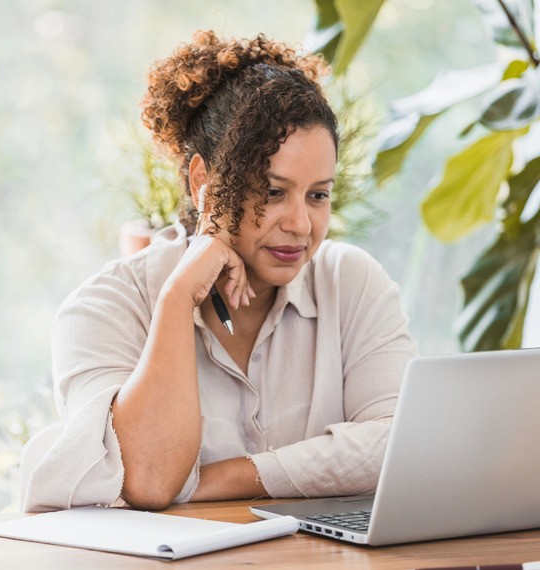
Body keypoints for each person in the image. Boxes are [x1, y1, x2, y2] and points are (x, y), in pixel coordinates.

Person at [25, 30, 417, 512]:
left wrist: (223, 478)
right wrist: (176, 300)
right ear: (202, 183)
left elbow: (401, 443)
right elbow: (148, 478)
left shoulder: (351, 283)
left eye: (318, 194)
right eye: (273, 192)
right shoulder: (103, 309)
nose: (300, 224)